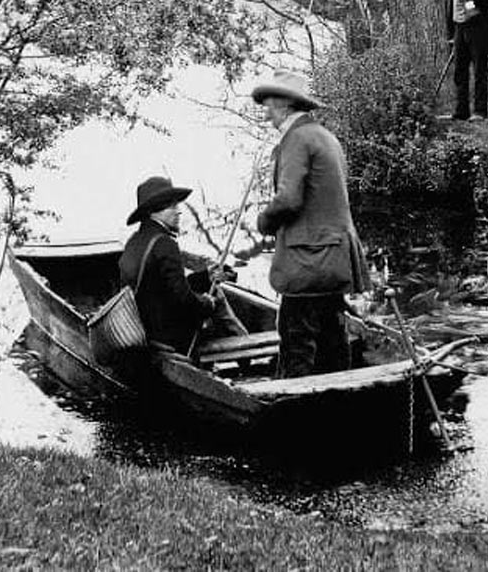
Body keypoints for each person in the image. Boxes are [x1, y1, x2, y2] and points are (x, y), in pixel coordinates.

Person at [252, 70, 370, 378]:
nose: (265, 111)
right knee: (332, 335)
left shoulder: (297, 139)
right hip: (335, 257)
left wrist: (264, 220)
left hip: (309, 261)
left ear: (285, 105)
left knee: (295, 335)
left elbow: (289, 199)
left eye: (268, 104)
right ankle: (340, 398)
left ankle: (292, 407)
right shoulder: (326, 137)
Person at [119, 175, 247, 354]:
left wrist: (205, 277)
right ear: (154, 211)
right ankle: (245, 347)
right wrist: (206, 304)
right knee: (215, 297)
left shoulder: (134, 241)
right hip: (168, 336)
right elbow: (181, 299)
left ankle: (243, 344)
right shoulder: (164, 243)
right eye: (172, 206)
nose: (178, 211)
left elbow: (160, 286)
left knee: (212, 286)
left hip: (141, 328)